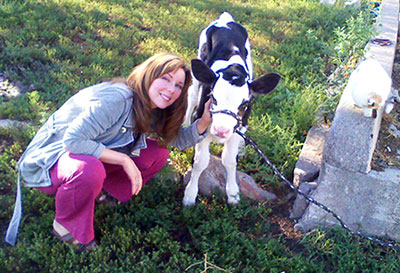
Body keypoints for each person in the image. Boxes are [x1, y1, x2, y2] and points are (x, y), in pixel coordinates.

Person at [5, 53, 212, 251]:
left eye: (178, 85)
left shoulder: (154, 106)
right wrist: (123, 159)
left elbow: (177, 140)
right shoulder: (119, 98)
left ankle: (103, 193)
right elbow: (73, 141)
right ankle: (66, 226)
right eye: (165, 79)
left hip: (84, 154)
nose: (171, 89)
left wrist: (204, 121)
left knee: (157, 154)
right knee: (88, 170)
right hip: (50, 160)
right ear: (149, 75)